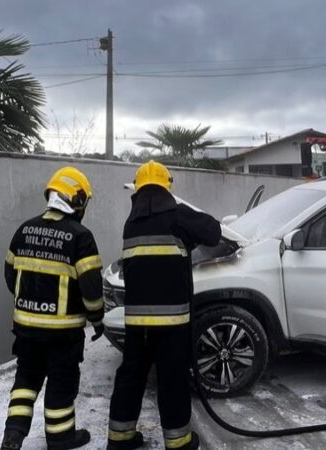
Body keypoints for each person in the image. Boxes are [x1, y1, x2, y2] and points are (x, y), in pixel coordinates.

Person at [107, 161, 221, 450]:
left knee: (130, 377)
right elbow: (213, 232)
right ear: (166, 187)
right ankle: (179, 442)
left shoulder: (131, 223)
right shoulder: (177, 216)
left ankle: (120, 438)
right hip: (172, 324)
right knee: (172, 380)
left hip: (137, 324)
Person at [0, 167, 105, 450]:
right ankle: (61, 438)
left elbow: (10, 276)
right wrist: (97, 320)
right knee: (61, 384)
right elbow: (92, 290)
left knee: (25, 382)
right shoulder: (81, 236)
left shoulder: (24, 230)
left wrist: (30, 305)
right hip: (63, 335)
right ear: (77, 199)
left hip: (25, 330)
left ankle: (12, 436)